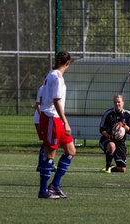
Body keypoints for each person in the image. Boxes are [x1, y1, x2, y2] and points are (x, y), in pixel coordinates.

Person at [37, 51, 76, 199]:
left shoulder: (51, 74)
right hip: (52, 118)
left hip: (54, 119)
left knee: (71, 151)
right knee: (49, 154)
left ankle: (54, 185)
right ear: (68, 63)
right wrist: (65, 121)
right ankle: (43, 191)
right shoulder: (57, 77)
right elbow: (56, 100)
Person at [99, 94, 130, 173]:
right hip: (107, 139)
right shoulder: (108, 114)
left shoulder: (128, 114)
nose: (117, 104)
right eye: (115, 102)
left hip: (120, 142)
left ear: (123, 103)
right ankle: (107, 167)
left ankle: (112, 167)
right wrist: (111, 136)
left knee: (122, 169)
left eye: (119, 102)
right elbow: (101, 130)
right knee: (112, 145)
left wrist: (123, 124)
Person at [33, 84, 56, 173]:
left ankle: (47, 163)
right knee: (47, 142)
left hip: (49, 118)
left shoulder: (55, 87)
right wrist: (41, 116)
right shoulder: (43, 88)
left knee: (49, 142)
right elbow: (38, 103)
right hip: (41, 119)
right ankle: (43, 164)